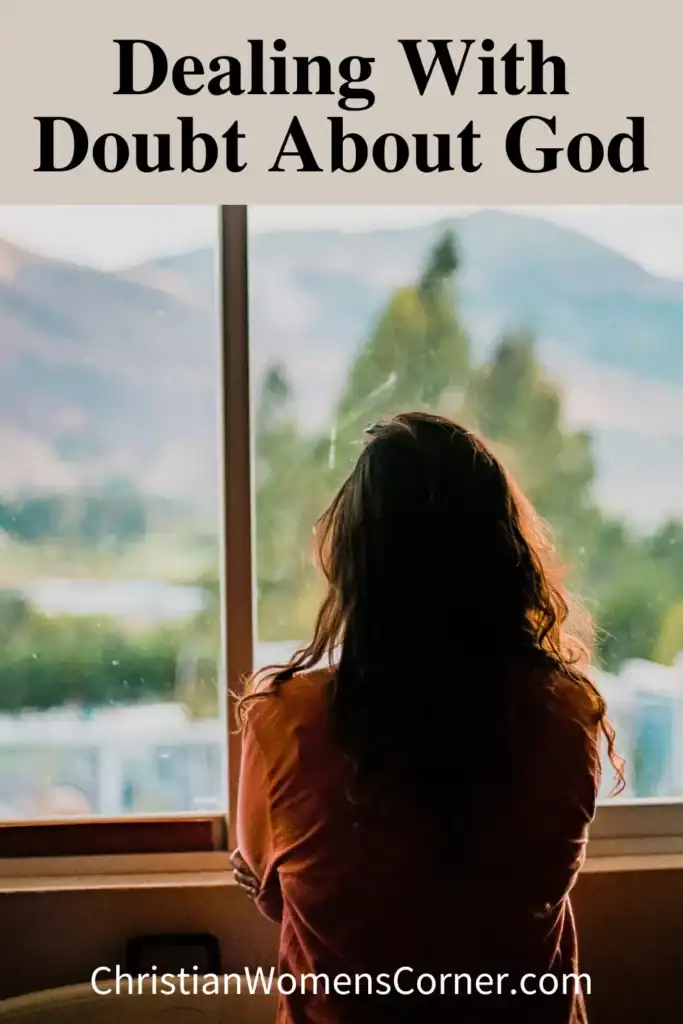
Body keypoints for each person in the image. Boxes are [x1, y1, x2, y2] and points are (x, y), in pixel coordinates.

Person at [231, 412, 623, 1023]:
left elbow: (275, 894)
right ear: (503, 558)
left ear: (357, 565)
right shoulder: (568, 715)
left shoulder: (285, 723)